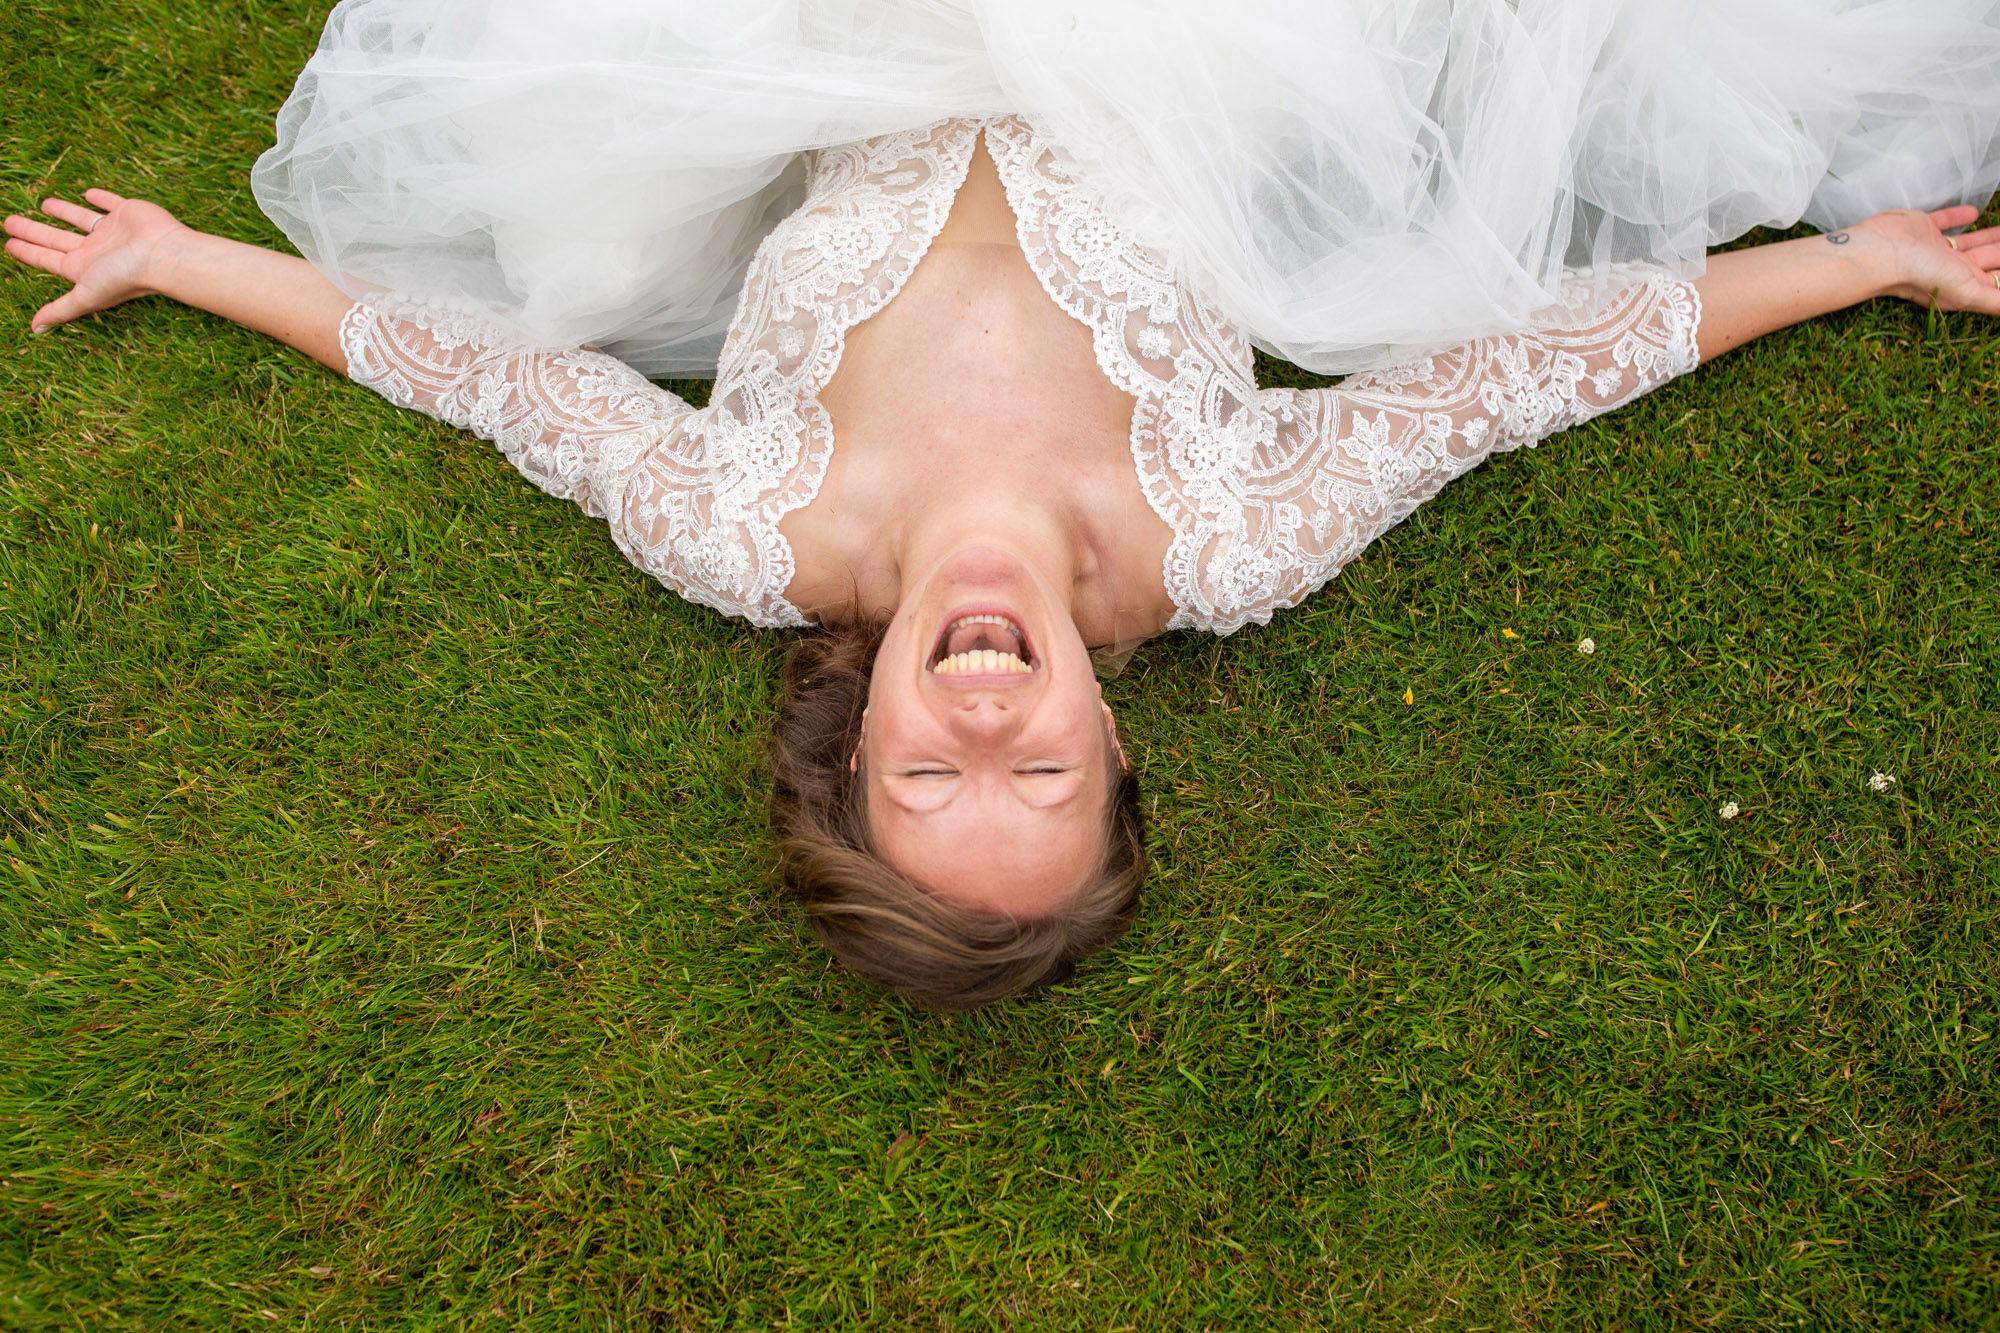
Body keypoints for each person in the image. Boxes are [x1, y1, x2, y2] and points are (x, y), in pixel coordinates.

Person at [9, 4, 2000, 1009]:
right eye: (1034, 788)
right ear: (1112, 739)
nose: (982, 737)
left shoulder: (748, 531)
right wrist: (1853, 268)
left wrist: (192, 260)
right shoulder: (1225, 536)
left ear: (850, 737)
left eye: (926, 786)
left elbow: (473, 379)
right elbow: (1519, 381)